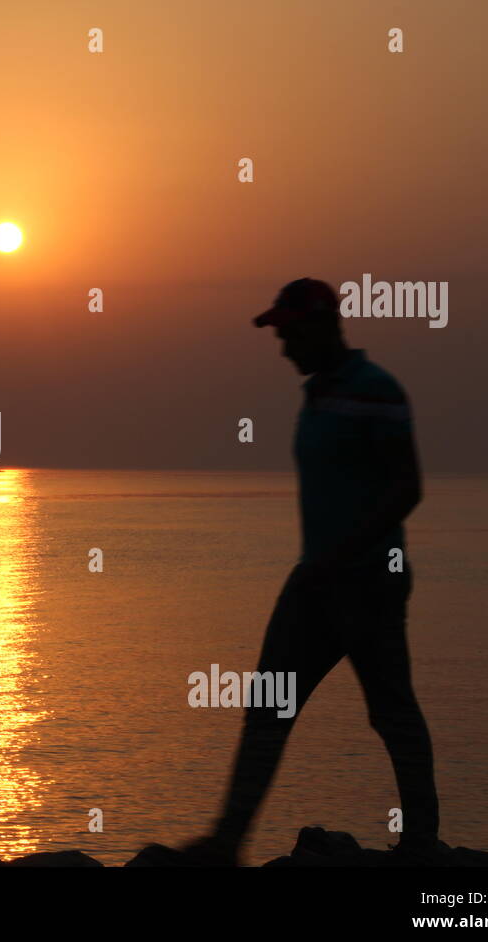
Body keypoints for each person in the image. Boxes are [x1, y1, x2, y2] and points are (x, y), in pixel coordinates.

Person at [183, 278, 441, 865]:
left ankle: (423, 844)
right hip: (315, 579)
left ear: (321, 326)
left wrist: (348, 551)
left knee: (391, 709)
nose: (283, 347)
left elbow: (407, 486)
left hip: (368, 579)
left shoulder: (377, 391)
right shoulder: (318, 393)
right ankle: (226, 843)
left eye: (289, 332)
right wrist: (321, 564)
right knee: (269, 705)